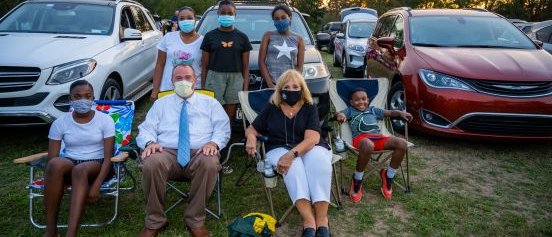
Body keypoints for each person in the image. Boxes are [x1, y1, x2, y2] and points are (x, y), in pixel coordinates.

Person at [137, 64, 230, 237]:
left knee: (209, 163)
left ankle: (194, 220)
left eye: (188, 77)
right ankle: (155, 221)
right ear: (172, 81)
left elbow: (223, 129)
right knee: (151, 162)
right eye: (178, 78)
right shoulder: (160, 104)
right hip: (167, 152)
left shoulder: (210, 103)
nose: (183, 81)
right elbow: (146, 128)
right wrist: (150, 142)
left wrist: (213, 143)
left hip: (200, 152)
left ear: (195, 80)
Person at [245, 69, 332, 237]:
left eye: (295, 86)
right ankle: (309, 222)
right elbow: (252, 128)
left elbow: (312, 138)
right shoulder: (272, 108)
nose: (291, 90)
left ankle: (322, 220)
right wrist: (250, 138)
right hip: (279, 147)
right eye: (287, 86)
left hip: (310, 146)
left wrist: (291, 154)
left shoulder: (309, 107)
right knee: (294, 170)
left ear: (302, 89)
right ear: (279, 89)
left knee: (319, 164)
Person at [43, 80, 115, 237]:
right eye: (77, 96)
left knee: (81, 169)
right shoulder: (60, 123)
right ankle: (51, 230)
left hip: (98, 164)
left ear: (93, 98)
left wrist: (96, 185)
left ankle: (71, 234)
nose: (83, 100)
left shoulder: (105, 120)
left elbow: (109, 157)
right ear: (70, 99)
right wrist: (53, 177)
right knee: (55, 164)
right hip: (70, 162)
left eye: (87, 96)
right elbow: (52, 158)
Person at [334, 88, 412, 201]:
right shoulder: (350, 111)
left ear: (368, 100)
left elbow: (389, 113)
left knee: (402, 143)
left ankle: (388, 176)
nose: (361, 102)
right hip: (362, 140)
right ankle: (357, 179)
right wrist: (339, 116)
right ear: (351, 102)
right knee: (368, 144)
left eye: (364, 99)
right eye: (357, 100)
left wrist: (400, 113)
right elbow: (339, 113)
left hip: (378, 138)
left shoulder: (373, 110)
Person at [201, 0, 252, 120]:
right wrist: (203, 88)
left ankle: (226, 136)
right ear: (218, 14)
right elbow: (205, 66)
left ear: (235, 15)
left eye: (230, 13)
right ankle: (215, 135)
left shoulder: (242, 37)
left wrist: (245, 91)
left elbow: (245, 67)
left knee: (230, 114)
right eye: (223, 13)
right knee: (215, 111)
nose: (226, 15)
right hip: (214, 77)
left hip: (235, 78)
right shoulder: (209, 36)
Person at [151, 6, 203, 101]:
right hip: (168, 90)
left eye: (189, 18)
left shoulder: (203, 41)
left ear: (195, 20)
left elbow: (205, 69)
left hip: (193, 91)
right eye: (182, 18)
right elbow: (159, 65)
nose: (185, 21)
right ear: (177, 21)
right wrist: (155, 89)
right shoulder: (168, 38)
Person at [258, 5, 305, 88]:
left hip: (289, 86)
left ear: (290, 17)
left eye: (283, 17)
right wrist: (270, 84)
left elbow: (300, 67)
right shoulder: (268, 36)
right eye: (276, 19)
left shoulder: (299, 39)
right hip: (270, 84)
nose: (280, 21)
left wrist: (292, 84)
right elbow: (261, 62)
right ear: (273, 21)